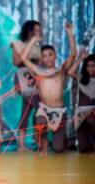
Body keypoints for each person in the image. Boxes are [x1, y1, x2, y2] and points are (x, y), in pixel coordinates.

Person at [20, 22, 77, 154]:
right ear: (42, 58)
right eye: (44, 56)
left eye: (50, 54)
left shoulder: (61, 71)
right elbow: (23, 58)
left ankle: (62, 141)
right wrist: (33, 40)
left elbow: (73, 54)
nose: (48, 58)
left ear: (55, 55)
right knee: (39, 122)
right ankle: (43, 144)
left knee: (58, 149)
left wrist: (69, 33)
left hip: (59, 111)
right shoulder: (39, 72)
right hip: (44, 110)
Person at [11, 20, 42, 152]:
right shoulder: (17, 44)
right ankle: (37, 140)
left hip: (34, 78)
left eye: (39, 30)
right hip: (22, 76)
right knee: (39, 107)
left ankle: (22, 145)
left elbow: (39, 65)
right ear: (29, 30)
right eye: (36, 30)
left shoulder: (37, 46)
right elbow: (16, 62)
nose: (38, 32)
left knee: (26, 110)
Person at [68, 50, 95, 153]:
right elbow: (70, 72)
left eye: (93, 65)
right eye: (87, 65)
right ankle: (89, 142)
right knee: (83, 149)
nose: (90, 68)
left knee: (91, 119)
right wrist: (81, 58)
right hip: (81, 118)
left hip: (93, 117)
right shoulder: (82, 78)